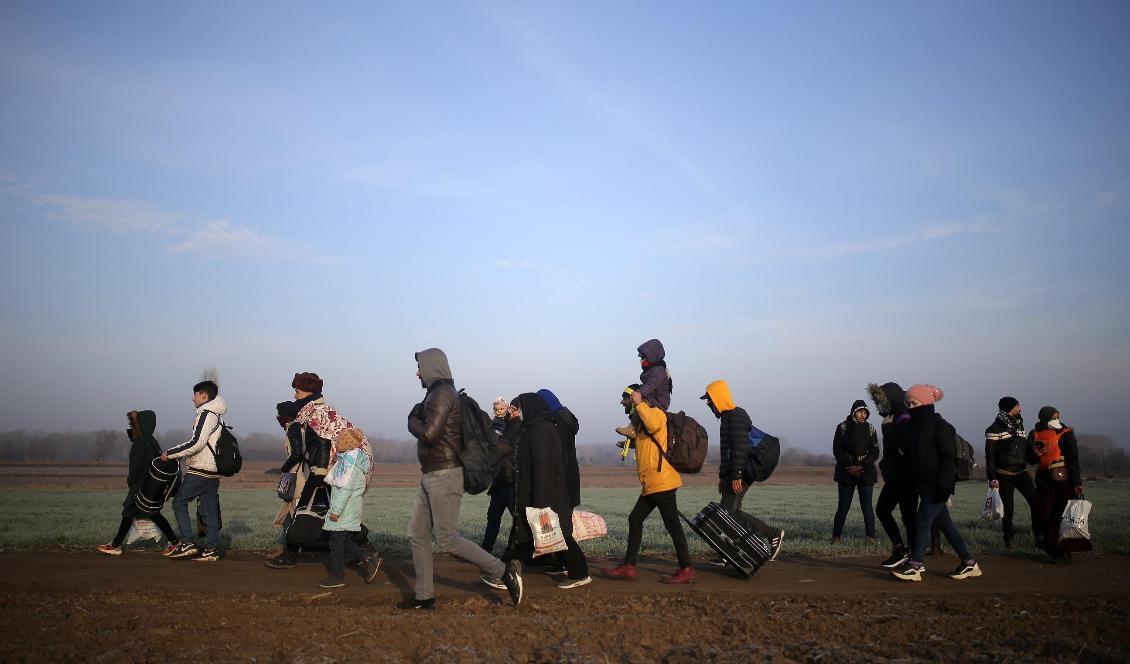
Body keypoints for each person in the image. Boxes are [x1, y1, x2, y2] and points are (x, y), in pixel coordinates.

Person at [403, 348, 522, 610]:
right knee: (417, 533)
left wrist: (411, 419)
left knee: (446, 538)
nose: (417, 372)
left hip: (445, 474)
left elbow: (430, 434)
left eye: (420, 367)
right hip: (433, 472)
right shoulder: (436, 393)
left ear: (432, 368)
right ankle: (424, 596)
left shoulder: (442, 394)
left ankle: (503, 571)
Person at [498, 393, 591, 589]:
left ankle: (579, 572)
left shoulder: (540, 429)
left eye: (519, 408)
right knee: (535, 534)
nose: (516, 412)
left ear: (529, 407)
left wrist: (540, 504)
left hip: (544, 494)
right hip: (538, 493)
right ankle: (508, 571)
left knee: (557, 535)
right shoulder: (533, 428)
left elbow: (542, 467)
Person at [602, 388, 694, 584]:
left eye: (626, 398)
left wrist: (640, 402)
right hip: (653, 482)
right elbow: (650, 441)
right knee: (635, 519)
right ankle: (629, 567)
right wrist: (630, 444)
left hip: (661, 481)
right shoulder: (645, 419)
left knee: (672, 525)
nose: (622, 402)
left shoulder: (656, 413)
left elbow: (653, 425)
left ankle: (686, 569)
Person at [891, 384, 982, 581]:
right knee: (947, 526)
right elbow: (907, 451)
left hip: (938, 485)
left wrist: (946, 486)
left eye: (913, 403)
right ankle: (969, 562)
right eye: (908, 403)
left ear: (925, 402)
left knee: (922, 521)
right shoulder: (915, 427)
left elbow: (948, 458)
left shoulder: (942, 426)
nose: (910, 407)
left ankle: (915, 565)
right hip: (924, 484)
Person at [700, 379, 785, 562]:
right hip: (737, 470)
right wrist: (723, 477)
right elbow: (727, 451)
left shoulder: (736, 415)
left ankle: (772, 534)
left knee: (727, 513)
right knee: (733, 512)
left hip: (744, 469)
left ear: (719, 398)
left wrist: (736, 475)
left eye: (709, 399)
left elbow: (739, 448)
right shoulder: (726, 418)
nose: (708, 403)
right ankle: (733, 552)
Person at [266, 374, 334, 569]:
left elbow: (300, 451)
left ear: (308, 391)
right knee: (310, 513)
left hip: (309, 473)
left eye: (297, 390)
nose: (294, 395)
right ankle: (296, 550)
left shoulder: (312, 415)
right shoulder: (318, 412)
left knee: (301, 512)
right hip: (314, 471)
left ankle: (292, 553)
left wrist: (285, 468)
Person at [97, 410, 180, 556]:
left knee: (130, 513)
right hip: (151, 486)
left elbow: (135, 468)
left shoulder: (140, 443)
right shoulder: (152, 441)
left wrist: (131, 482)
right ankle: (175, 542)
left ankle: (116, 545)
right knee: (153, 514)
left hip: (140, 486)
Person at [162, 380, 226, 561]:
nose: (192, 398)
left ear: (204, 396)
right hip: (213, 471)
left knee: (179, 503)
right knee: (209, 509)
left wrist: (171, 453)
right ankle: (212, 550)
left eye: (195, 394)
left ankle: (187, 543)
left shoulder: (206, 415)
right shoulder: (218, 416)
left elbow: (196, 443)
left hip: (201, 469)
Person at [320, 428, 381, 588]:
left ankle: (339, 576)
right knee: (342, 540)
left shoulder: (349, 466)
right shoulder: (348, 461)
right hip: (347, 509)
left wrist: (335, 512)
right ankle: (368, 559)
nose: (336, 444)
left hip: (344, 510)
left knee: (336, 542)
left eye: (339, 441)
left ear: (346, 443)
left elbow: (344, 492)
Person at [868, 382, 919, 567]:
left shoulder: (903, 414)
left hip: (906, 475)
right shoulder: (892, 415)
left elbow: (903, 445)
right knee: (884, 510)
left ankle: (914, 557)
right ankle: (901, 550)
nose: (878, 404)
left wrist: (888, 429)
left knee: (909, 516)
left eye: (880, 399)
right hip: (896, 475)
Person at [1029, 406, 1088, 564]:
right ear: (1045, 418)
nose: (1057, 420)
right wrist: (1035, 455)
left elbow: (1073, 459)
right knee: (1043, 515)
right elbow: (1030, 459)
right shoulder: (1033, 434)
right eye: (1054, 417)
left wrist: (1077, 482)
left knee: (1059, 515)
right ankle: (1052, 546)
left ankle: (1061, 552)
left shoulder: (1066, 434)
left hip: (1063, 480)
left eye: (1058, 417)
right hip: (1043, 479)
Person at [985, 396, 1038, 549]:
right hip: (1004, 474)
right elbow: (990, 455)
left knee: (1036, 503)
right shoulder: (993, 429)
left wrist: (1035, 454)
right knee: (1008, 510)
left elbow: (1026, 452)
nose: (1020, 409)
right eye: (1017, 406)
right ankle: (1009, 540)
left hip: (1022, 472)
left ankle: (1039, 538)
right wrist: (992, 477)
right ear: (1009, 409)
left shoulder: (1020, 426)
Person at [831, 400, 880, 543]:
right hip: (846, 471)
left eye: (865, 412)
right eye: (860, 411)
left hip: (866, 471)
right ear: (854, 412)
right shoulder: (842, 427)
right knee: (843, 506)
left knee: (867, 506)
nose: (863, 414)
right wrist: (850, 467)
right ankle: (836, 536)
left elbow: (875, 451)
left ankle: (870, 537)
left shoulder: (871, 429)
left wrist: (861, 466)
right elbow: (837, 450)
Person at [480, 398, 516, 554]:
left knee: (518, 521)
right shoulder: (496, 424)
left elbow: (496, 448)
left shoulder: (512, 428)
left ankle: (513, 552)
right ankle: (486, 550)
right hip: (499, 481)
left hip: (510, 480)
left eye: (503, 409)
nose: (499, 412)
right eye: (497, 409)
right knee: (493, 518)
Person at [616, 340, 672, 439]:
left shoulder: (658, 371)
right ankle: (636, 435)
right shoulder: (653, 370)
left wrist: (639, 393)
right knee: (638, 404)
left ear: (652, 357)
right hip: (654, 398)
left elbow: (650, 385)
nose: (641, 361)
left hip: (659, 401)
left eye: (643, 358)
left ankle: (632, 428)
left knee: (640, 405)